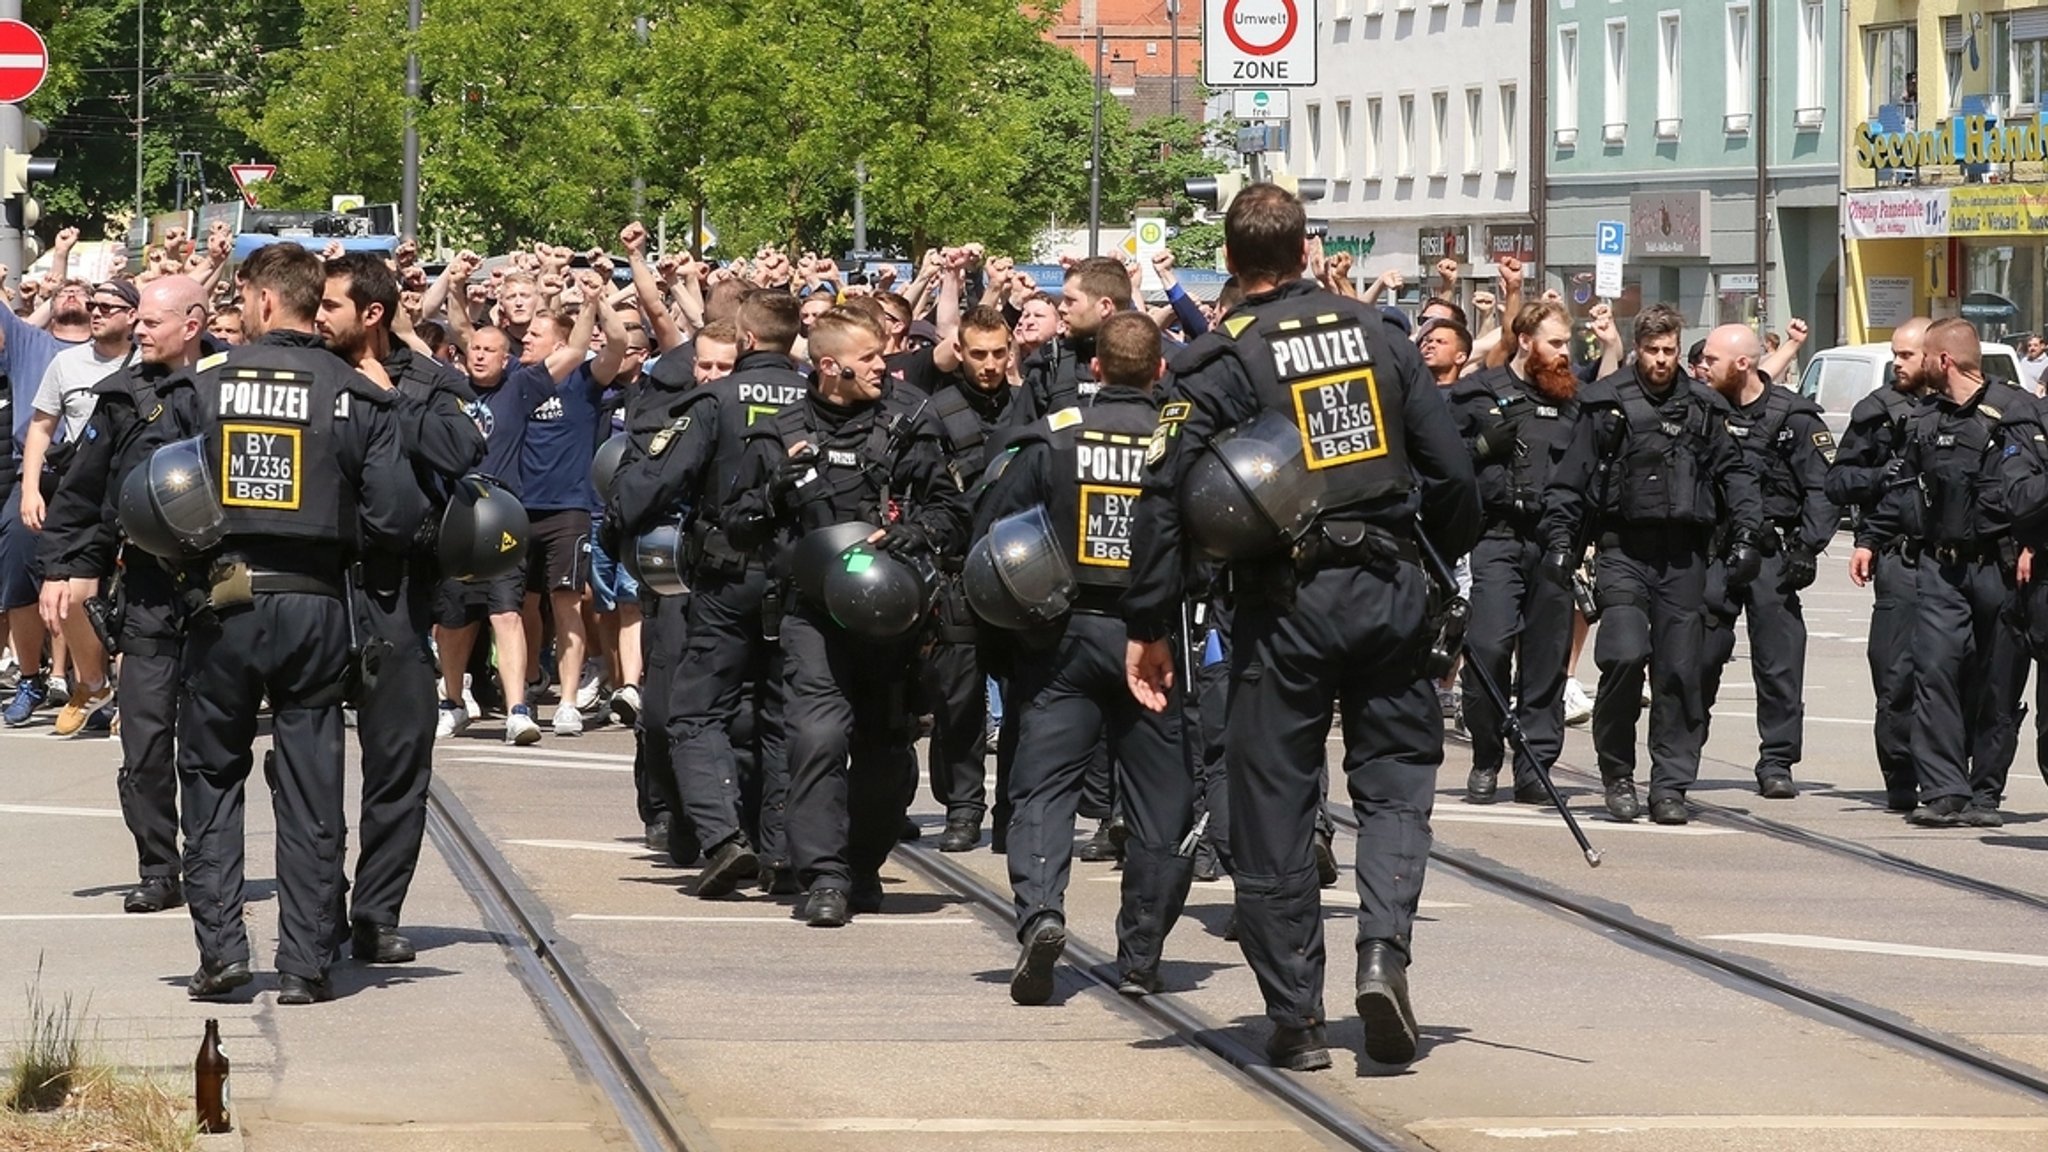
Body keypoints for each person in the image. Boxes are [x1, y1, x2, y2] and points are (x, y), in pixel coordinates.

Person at [1123, 183, 1481, 1072]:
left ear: (1234, 262)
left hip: (1282, 604)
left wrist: (1150, 622)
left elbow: (1162, 495)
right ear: (1309, 251)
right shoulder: (1381, 335)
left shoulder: (1218, 359)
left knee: (1275, 799)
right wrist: (1427, 557)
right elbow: (1455, 479)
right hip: (1391, 587)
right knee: (1397, 779)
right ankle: (1381, 953)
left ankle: (1296, 1015)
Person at [170, 242, 422, 1003]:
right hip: (316, 603)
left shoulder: (204, 387)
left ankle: (223, 952)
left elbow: (149, 494)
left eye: (243, 298)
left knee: (213, 773)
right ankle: (308, 964)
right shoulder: (358, 394)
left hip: (224, 603)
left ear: (266, 301)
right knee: (313, 779)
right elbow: (395, 517)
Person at [722, 307, 967, 927]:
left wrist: (916, 532)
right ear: (831, 367)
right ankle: (823, 874)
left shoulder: (909, 424)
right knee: (817, 737)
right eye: (871, 358)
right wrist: (775, 490)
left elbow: (952, 513)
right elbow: (738, 524)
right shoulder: (776, 435)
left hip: (893, 619)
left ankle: (861, 865)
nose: (884, 366)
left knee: (886, 749)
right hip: (813, 615)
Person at [978, 310, 1193, 1003]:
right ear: (1159, 370)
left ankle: (1042, 911)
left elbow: (993, 534)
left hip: (1062, 632)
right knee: (1162, 803)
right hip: (1154, 638)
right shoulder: (1181, 443)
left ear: (1095, 368)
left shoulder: (1053, 436)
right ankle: (1141, 954)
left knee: (1042, 788)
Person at [319, 252, 485, 963]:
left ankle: (376, 912)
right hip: (317, 588)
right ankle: (316, 902)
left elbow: (465, 447)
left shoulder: (425, 380)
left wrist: (390, 395)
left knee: (397, 762)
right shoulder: (306, 371)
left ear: (373, 313)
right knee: (309, 760)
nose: (318, 317)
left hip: (396, 596)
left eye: (330, 306)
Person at [1539, 304, 1763, 825]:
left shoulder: (1705, 408)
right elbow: (1570, 482)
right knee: (1621, 655)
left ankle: (1670, 785)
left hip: (1683, 556)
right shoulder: (1606, 405)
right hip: (1622, 550)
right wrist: (1558, 541)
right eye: (1652, 351)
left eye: (1669, 351)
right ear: (1636, 348)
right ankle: (1617, 773)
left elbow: (1736, 478)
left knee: (1680, 673)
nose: (1662, 361)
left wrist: (1748, 535)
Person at [37, 275, 211, 912]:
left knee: (209, 742)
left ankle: (213, 866)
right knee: (142, 739)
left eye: (151, 323)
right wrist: (63, 568)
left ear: (191, 324)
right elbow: (84, 493)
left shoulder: (228, 385)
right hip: (146, 592)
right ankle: (159, 868)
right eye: (135, 321)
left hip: (221, 593)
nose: (138, 330)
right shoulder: (120, 397)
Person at [1857, 318, 2037, 828]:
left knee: (1997, 683)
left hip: (2001, 567)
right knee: (1933, 671)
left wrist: (2033, 548)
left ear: (1944, 361)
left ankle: (1985, 793)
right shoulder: (1924, 419)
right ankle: (1944, 790)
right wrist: (1869, 539)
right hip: (1942, 567)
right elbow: (1904, 491)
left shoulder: (2018, 414)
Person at [667, 292, 809, 897]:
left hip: (727, 579)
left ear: (746, 340)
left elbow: (652, 480)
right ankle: (781, 853)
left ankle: (725, 839)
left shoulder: (713, 400)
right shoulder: (816, 402)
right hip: (799, 582)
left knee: (697, 713)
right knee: (782, 716)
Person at [1696, 324, 1839, 799]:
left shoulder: (1794, 418)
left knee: (1779, 663)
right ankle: (1681, 754)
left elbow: (1823, 487)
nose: (1702, 367)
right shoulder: (1703, 412)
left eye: (1712, 359)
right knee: (1698, 656)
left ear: (1742, 364)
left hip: (1772, 552)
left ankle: (1777, 761)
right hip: (1715, 550)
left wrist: (1807, 547)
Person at [1446, 302, 1581, 804]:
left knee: (1547, 659)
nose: (1565, 353)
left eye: (1568, 343)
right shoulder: (1476, 394)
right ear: (1526, 341)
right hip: (1495, 537)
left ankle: (1535, 765)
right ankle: (1486, 754)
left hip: (1553, 540)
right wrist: (1480, 449)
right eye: (1556, 343)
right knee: (1488, 647)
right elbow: (1437, 462)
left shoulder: (1573, 401)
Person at [15, 280, 136, 729]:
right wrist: (30, 489)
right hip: (80, 492)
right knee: (73, 598)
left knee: (132, 599)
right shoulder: (66, 364)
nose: (96, 312)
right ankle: (93, 683)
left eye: (106, 306)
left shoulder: (146, 363)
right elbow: (41, 429)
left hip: (132, 492)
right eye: (92, 305)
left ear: (132, 316)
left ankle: (132, 698)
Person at [919, 298, 1018, 852]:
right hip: (956, 572)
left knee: (1025, 699)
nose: (988, 364)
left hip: (1022, 574)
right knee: (957, 700)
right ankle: (962, 809)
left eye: (998, 353)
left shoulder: (1030, 410)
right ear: (958, 352)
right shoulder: (935, 412)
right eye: (977, 354)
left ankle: (1012, 811)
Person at [514, 278, 629, 736]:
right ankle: (523, 691)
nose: (524, 340)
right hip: (517, 510)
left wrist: (598, 302)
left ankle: (566, 703)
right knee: (519, 606)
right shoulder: (514, 381)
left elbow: (618, 343)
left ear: (560, 345)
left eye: (534, 336)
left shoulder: (584, 381)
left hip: (567, 509)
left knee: (567, 605)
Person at [1826, 318, 1931, 812]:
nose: (1897, 364)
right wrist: (1880, 477)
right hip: (1898, 555)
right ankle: (1901, 773)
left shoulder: (1966, 410)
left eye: (1907, 355)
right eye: (1895, 354)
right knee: (1896, 672)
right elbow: (1839, 481)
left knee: (1964, 671)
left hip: (1957, 560)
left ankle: (1955, 773)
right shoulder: (1877, 412)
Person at [433, 324, 547, 744]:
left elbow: (572, 350)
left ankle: (517, 709)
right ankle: (452, 703)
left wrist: (590, 302)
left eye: (490, 350)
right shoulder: (447, 390)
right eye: (474, 348)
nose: (480, 355)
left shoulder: (518, 389)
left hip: (502, 514)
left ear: (507, 358)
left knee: (506, 612)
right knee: (453, 620)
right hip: (456, 514)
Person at [1014, 258, 1132, 422]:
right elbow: (1019, 438)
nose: (1061, 308)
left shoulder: (1152, 362)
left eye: (1070, 301)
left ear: (1104, 307)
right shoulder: (1050, 364)